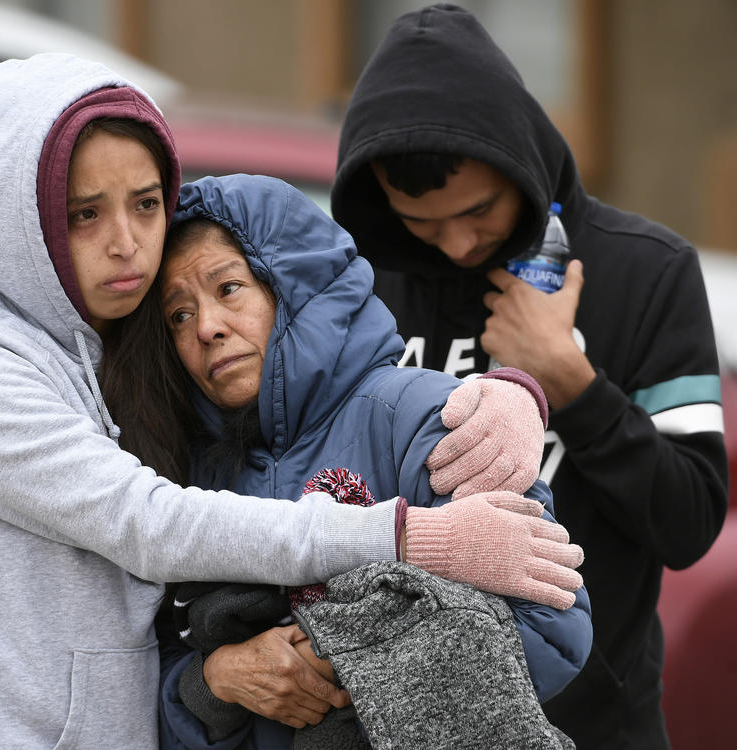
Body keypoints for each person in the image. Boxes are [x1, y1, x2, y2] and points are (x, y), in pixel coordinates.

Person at [0, 53, 565, 749]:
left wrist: (514, 393)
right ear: (21, 221)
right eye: (85, 213)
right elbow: (147, 524)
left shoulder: (129, 365)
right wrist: (403, 538)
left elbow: (552, 619)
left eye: (146, 204)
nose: (126, 245)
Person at [330, 5, 730, 749]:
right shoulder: (356, 287)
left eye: (478, 210)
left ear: (522, 160)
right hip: (384, 725)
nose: (456, 243)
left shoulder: (646, 271)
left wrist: (571, 383)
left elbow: (690, 521)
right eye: (420, 222)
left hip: (590, 724)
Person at [138, 174, 591, 749]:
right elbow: (152, 672)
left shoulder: (425, 417)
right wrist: (217, 680)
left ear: (295, 284)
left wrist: (344, 664)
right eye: (178, 316)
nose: (206, 327)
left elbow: (554, 628)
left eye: (228, 288)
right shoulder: (181, 474)